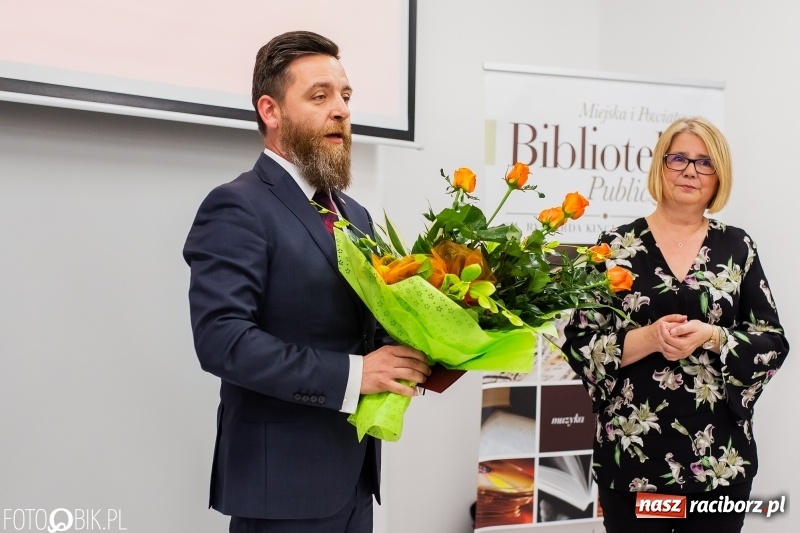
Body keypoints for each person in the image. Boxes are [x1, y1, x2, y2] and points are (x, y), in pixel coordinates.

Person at [183, 31, 430, 533]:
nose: (339, 109)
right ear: (271, 111)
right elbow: (222, 341)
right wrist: (356, 375)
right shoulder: (238, 205)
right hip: (281, 491)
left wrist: (437, 342)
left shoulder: (354, 213)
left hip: (356, 482)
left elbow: (362, 326)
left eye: (345, 96)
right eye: (319, 96)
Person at [562, 117, 788, 532]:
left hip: (718, 463)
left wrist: (716, 336)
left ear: (719, 176)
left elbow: (772, 341)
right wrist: (646, 338)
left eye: (705, 163)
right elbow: (579, 342)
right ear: (661, 167)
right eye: (679, 158)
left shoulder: (738, 247)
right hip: (633, 460)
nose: (689, 170)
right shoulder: (614, 246)